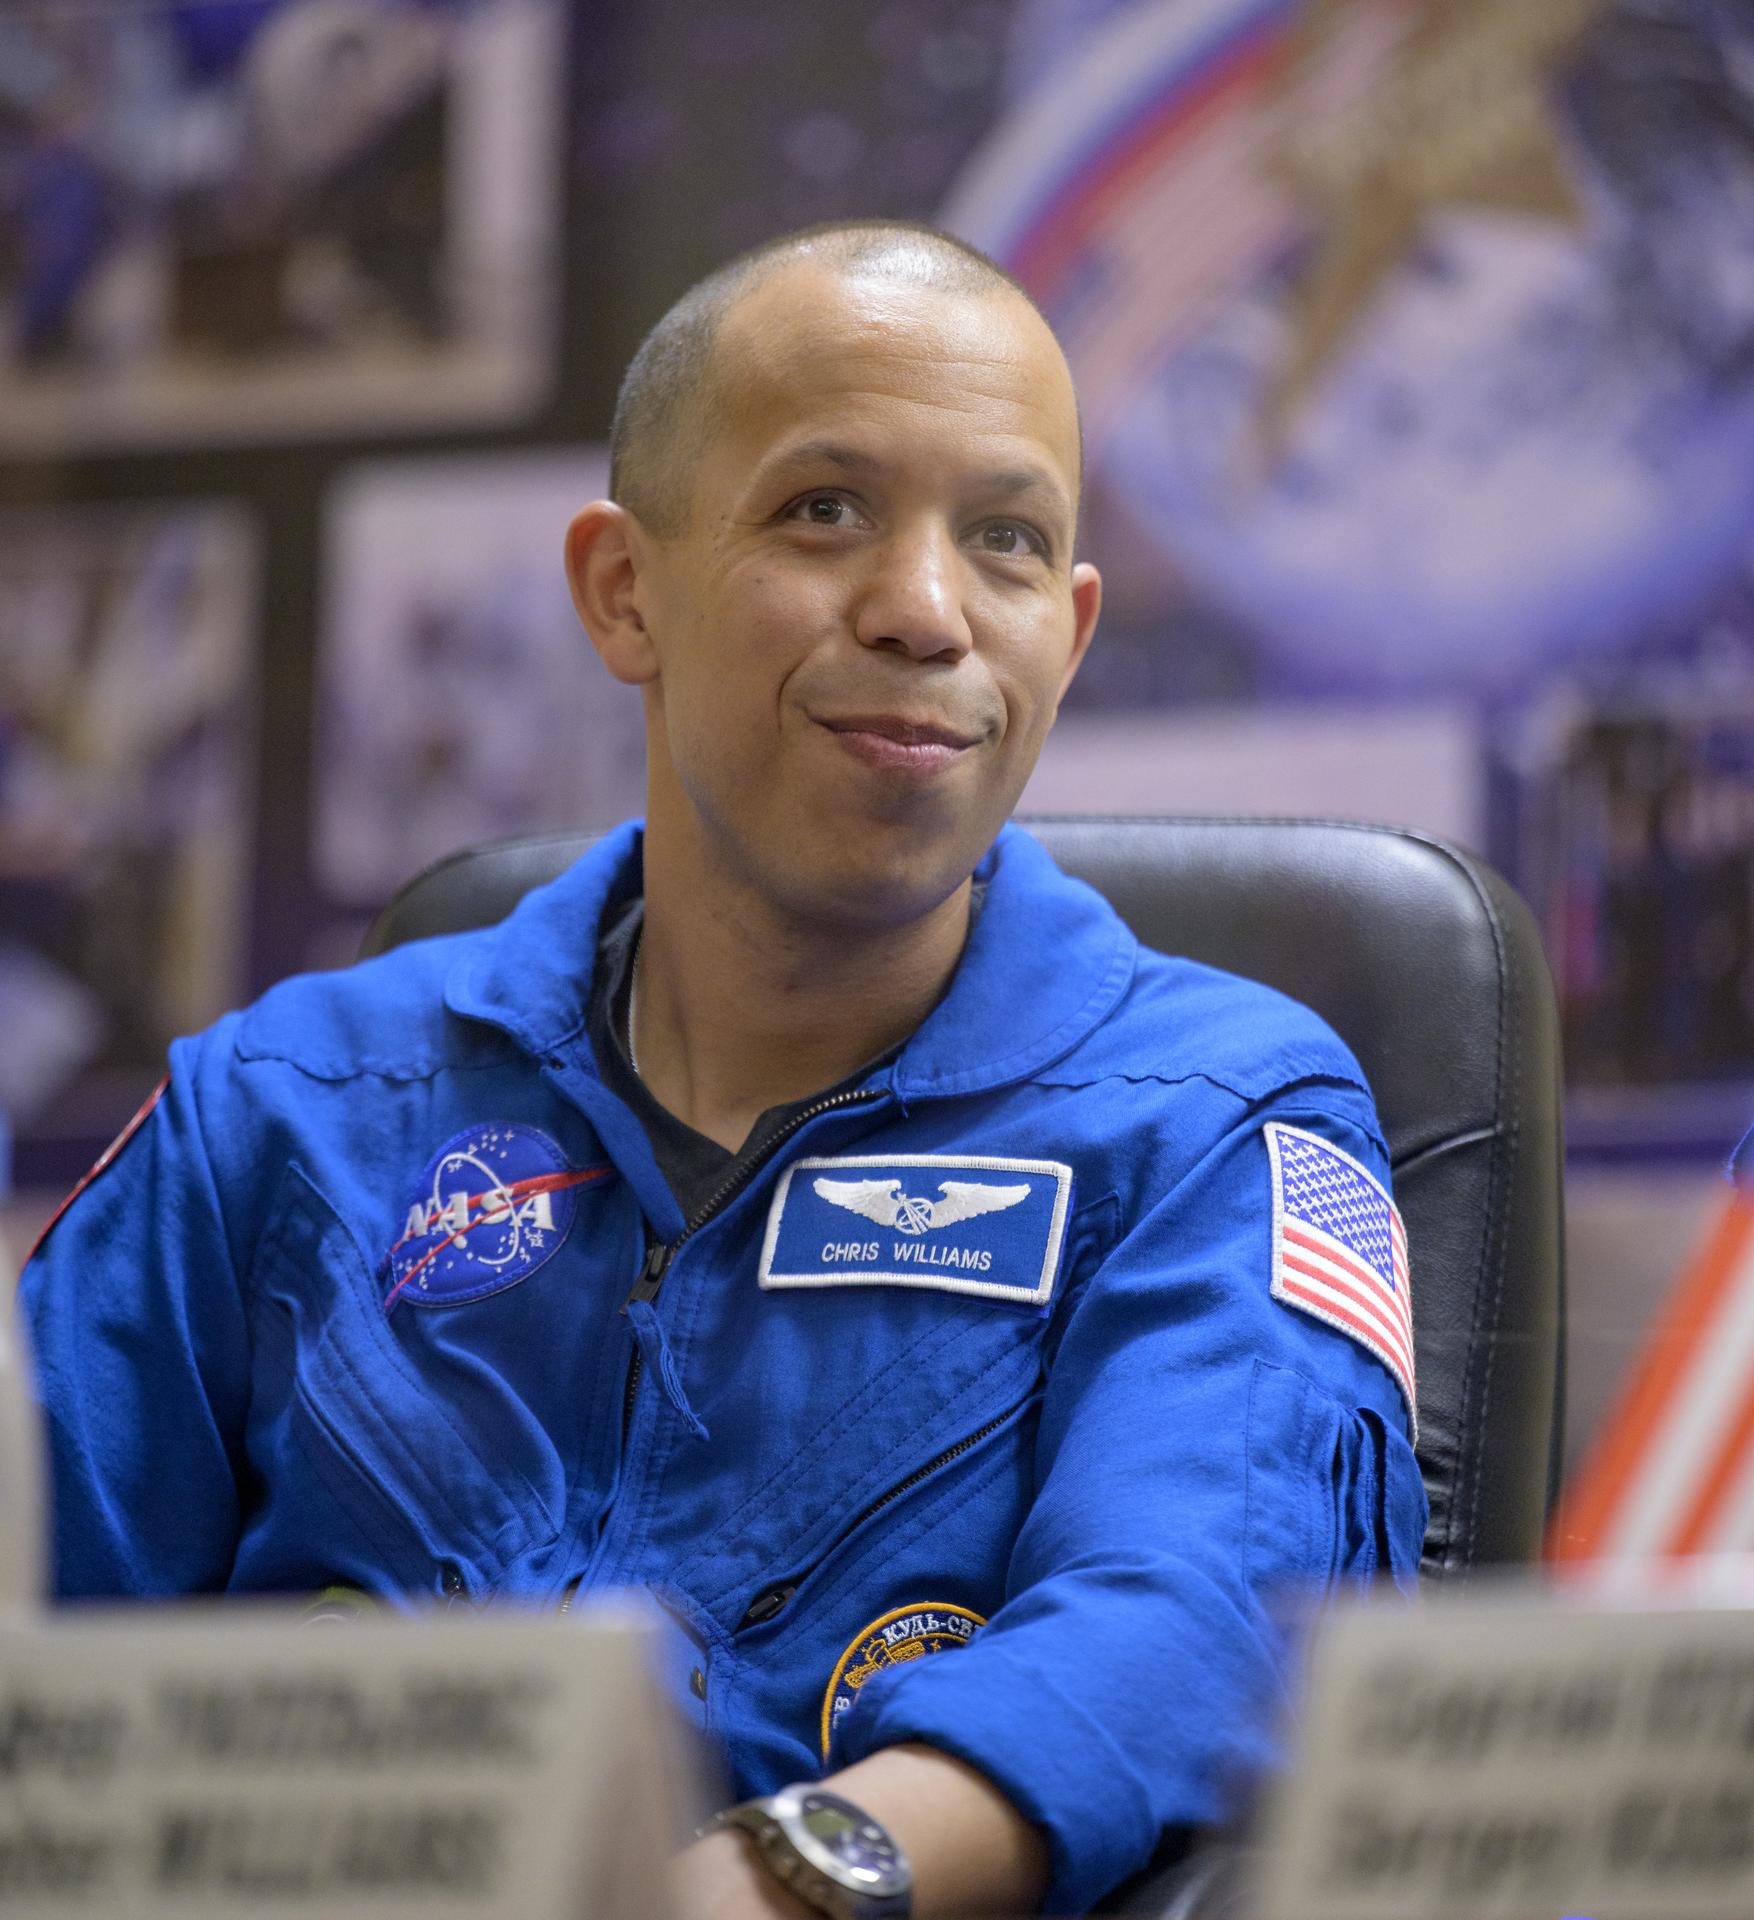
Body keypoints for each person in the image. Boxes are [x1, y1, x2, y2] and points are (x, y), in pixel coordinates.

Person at [20, 220, 1426, 1918]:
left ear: (1069, 629)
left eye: (1003, 541)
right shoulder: (291, 1108)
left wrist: (772, 1885)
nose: (922, 612)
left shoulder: (1213, 1118)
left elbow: (1198, 1624)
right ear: (625, 591)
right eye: (821, 508)